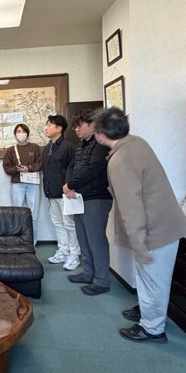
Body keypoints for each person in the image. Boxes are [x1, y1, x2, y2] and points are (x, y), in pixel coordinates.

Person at [93, 107, 186, 343]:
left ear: (101, 135)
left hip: (155, 229)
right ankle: (148, 311)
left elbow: (131, 208)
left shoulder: (120, 161)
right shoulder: (136, 142)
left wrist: (139, 245)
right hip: (165, 222)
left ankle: (153, 329)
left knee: (153, 279)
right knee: (149, 277)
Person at [62, 109, 113, 295]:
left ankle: (101, 281)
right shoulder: (81, 145)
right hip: (79, 198)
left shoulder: (100, 144)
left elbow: (93, 169)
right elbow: (72, 167)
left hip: (96, 198)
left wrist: (71, 185)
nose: (76, 129)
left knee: (96, 241)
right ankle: (88, 272)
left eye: (79, 125)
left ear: (92, 124)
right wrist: (67, 185)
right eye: (74, 126)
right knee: (83, 238)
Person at [41, 114, 80, 269]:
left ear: (59, 128)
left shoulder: (69, 147)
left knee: (69, 224)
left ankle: (74, 254)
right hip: (51, 193)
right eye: (46, 124)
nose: (46, 128)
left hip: (66, 193)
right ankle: (63, 250)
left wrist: (70, 186)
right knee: (58, 223)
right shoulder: (47, 148)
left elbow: (74, 168)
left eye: (49, 125)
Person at [2, 123, 42, 242]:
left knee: (33, 213)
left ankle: (32, 241)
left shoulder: (35, 147)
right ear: (15, 134)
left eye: (23, 132)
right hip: (17, 184)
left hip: (33, 183)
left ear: (27, 134)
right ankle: (18, 240)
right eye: (18, 132)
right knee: (17, 212)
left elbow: (40, 163)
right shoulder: (11, 150)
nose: (21, 134)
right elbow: (6, 167)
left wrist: (29, 167)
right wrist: (17, 169)